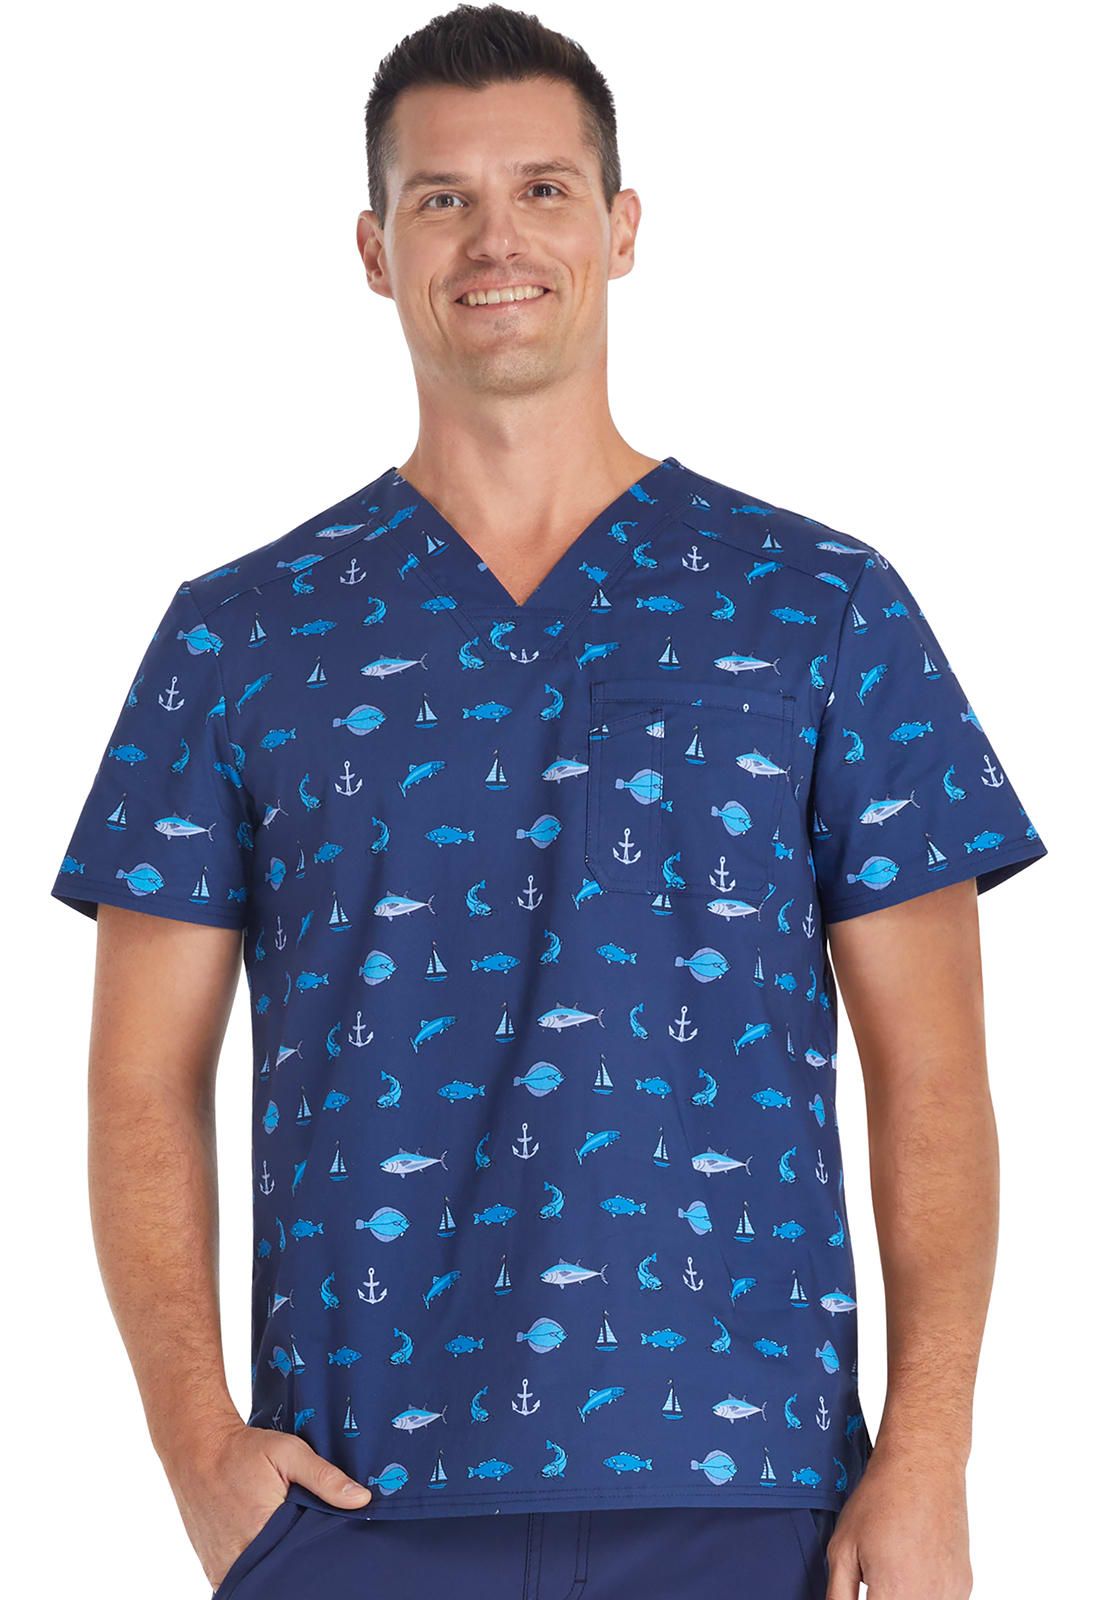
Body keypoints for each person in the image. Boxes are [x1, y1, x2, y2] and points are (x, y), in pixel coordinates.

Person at [50, 5, 1049, 1597]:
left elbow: (933, 1072)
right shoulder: (238, 639)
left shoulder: (821, 608)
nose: (494, 240)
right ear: (374, 249)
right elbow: (136, 1084)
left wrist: (930, 1454)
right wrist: (196, 1450)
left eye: (542, 189)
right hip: (353, 1502)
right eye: (441, 198)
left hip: (752, 1495)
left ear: (622, 228)